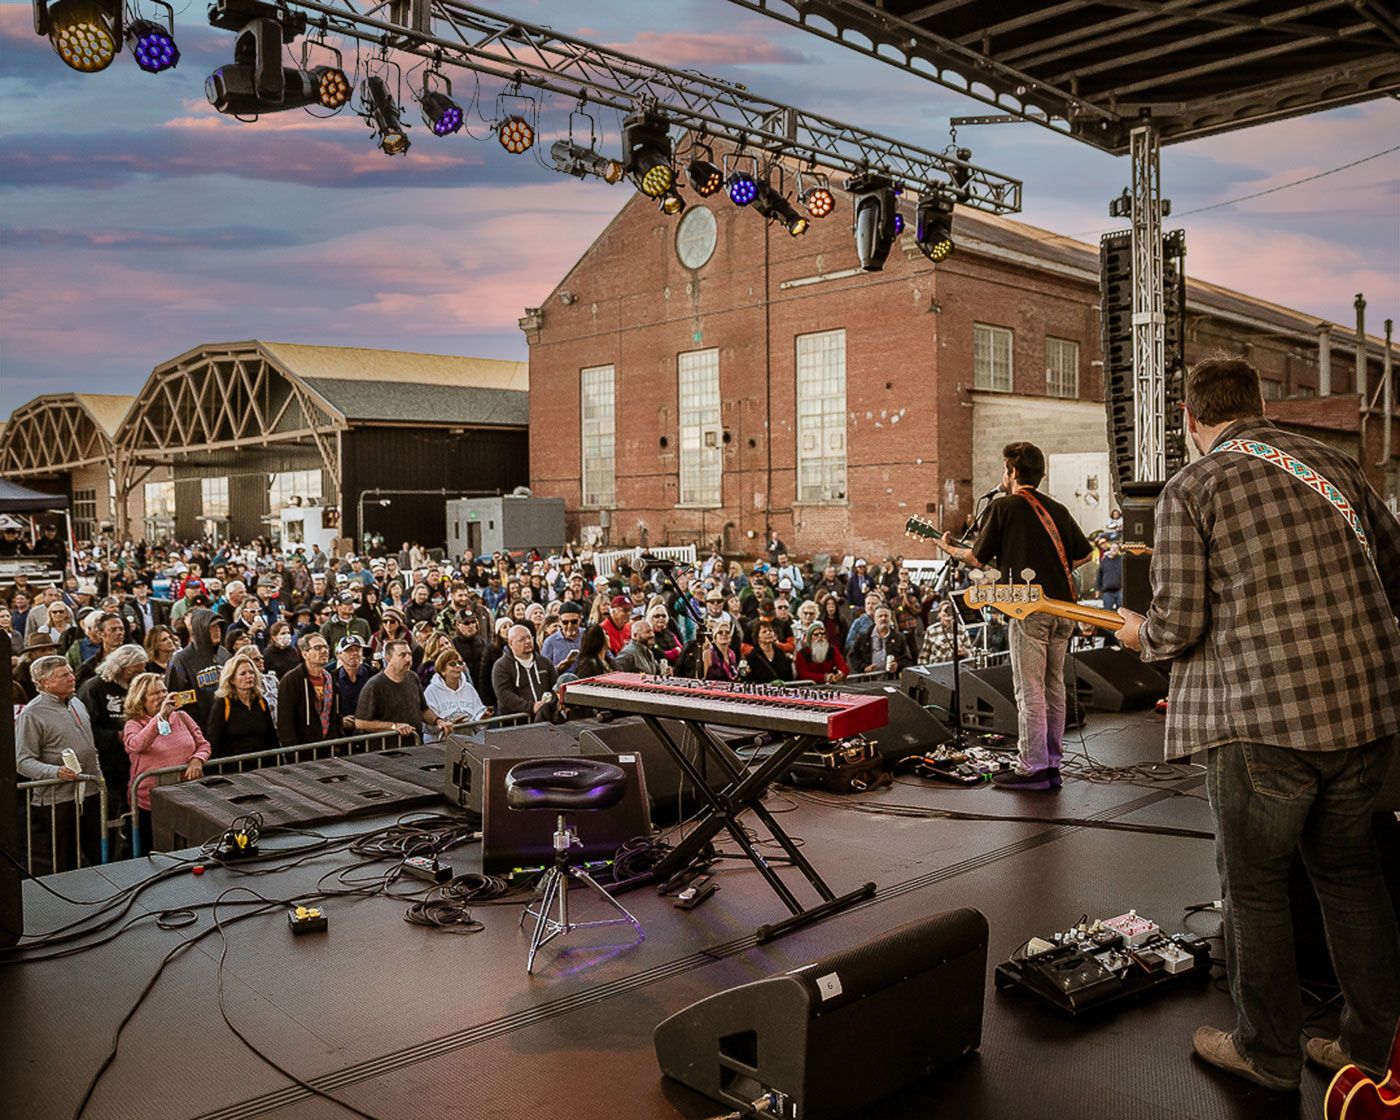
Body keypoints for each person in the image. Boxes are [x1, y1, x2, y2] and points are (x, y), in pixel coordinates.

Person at [1113, 356, 1400, 1093]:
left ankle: (1268, 1054)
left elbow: (1176, 624)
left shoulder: (1196, 484)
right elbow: (1395, 570)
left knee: (1257, 888)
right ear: (1261, 404)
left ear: (1190, 419)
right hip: (1366, 715)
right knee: (1351, 878)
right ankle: (1373, 1050)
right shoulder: (1333, 463)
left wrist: (1134, 633)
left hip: (1262, 723)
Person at [929, 441, 1092, 791]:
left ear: (1014, 472)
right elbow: (1083, 556)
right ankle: (1052, 763)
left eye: (1005, 469)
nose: (1002, 476)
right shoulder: (1058, 509)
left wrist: (947, 547)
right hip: (1063, 609)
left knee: (1029, 689)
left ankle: (1032, 767)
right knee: (1054, 686)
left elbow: (976, 558)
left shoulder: (1004, 507)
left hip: (1030, 609)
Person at [16, 656, 104, 873]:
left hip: (91, 792)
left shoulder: (77, 702)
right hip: (58, 800)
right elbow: (22, 761)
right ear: (44, 682)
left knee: (96, 855)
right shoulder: (31, 714)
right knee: (65, 861)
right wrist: (56, 772)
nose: (72, 677)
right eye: (64, 675)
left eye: (71, 672)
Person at [122, 672, 212, 854]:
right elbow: (136, 745)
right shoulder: (134, 724)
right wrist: (160, 717)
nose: (162, 696)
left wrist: (197, 760)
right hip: (150, 801)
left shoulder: (182, 717)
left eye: (164, 691)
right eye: (155, 693)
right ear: (141, 698)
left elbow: (203, 744)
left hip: (186, 795)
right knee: (152, 850)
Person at [77, 643, 147, 824]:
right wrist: (115, 736)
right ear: (121, 667)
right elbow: (85, 729)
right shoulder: (93, 688)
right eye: (136, 671)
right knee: (111, 815)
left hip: (135, 761)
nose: (140, 674)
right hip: (108, 763)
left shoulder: (137, 686)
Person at [357, 639, 452, 744]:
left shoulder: (413, 677)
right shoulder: (374, 685)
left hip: (414, 745)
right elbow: (361, 722)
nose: (408, 659)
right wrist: (394, 726)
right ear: (388, 659)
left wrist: (438, 721)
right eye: (402, 655)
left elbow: (423, 710)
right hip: (387, 751)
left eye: (409, 654)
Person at [165, 607, 230, 729]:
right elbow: (174, 699)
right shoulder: (181, 660)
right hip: (198, 726)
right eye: (212, 627)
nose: (217, 631)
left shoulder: (224, 654)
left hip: (226, 723)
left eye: (219, 627)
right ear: (200, 629)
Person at [276, 632, 344, 749]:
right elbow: (285, 721)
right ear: (305, 654)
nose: (324, 651)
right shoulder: (291, 680)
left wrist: (337, 737)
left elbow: (335, 713)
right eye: (317, 648)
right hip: (303, 749)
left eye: (325, 647)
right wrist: (292, 752)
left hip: (329, 745)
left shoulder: (330, 678)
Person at [206, 655, 278, 759]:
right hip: (233, 770)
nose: (249, 676)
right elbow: (214, 741)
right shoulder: (222, 705)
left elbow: (271, 738)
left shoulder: (261, 702)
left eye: (251, 672)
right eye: (243, 674)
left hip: (263, 768)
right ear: (232, 680)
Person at [493, 624, 559, 722]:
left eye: (529, 637)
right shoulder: (501, 666)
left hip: (545, 719)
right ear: (511, 643)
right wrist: (531, 707)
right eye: (522, 639)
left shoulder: (545, 662)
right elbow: (504, 694)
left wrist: (547, 705)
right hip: (516, 723)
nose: (527, 641)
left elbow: (555, 686)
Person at [422, 649, 486, 741]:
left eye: (460, 663)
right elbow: (426, 726)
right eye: (452, 664)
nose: (458, 666)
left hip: (468, 742)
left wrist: (483, 718)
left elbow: (479, 725)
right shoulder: (431, 691)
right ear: (442, 670)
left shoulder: (469, 688)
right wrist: (449, 724)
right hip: (439, 744)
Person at [848, 606, 915, 675]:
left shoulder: (899, 637)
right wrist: (864, 667)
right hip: (869, 679)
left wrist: (897, 665)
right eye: (880, 616)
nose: (883, 618)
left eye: (886, 616)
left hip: (891, 679)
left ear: (890, 619)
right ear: (874, 619)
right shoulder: (863, 637)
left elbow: (907, 659)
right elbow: (853, 656)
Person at [333, 635, 375, 721]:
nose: (354, 653)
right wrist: (340, 721)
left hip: (369, 726)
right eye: (349, 650)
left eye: (357, 650)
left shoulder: (373, 675)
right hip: (342, 730)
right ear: (339, 655)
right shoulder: (332, 679)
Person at [745, 618, 793, 683]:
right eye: (764, 632)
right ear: (757, 637)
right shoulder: (752, 656)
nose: (768, 633)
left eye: (770, 631)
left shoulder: (780, 653)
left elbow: (789, 676)